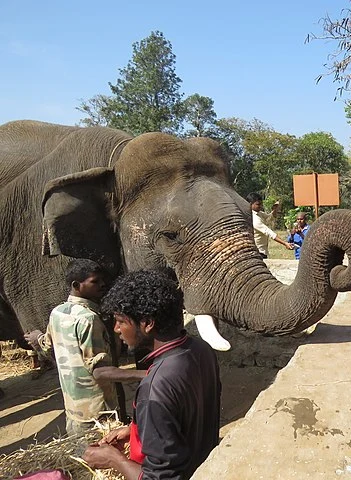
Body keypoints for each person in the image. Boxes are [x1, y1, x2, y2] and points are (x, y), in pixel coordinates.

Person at [83, 269, 221, 480]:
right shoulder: (201, 350)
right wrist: (137, 430)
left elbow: (160, 478)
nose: (117, 329)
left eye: (121, 321)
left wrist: (113, 459)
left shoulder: (154, 387)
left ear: (147, 323)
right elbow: (184, 414)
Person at [24, 259, 145, 434]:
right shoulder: (89, 319)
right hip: (99, 416)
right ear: (76, 285)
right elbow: (99, 371)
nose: (103, 285)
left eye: (102, 280)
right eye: (95, 281)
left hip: (74, 413)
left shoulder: (58, 312)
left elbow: (47, 346)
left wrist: (37, 338)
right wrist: (146, 374)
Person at [246, 192, 294, 258]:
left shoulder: (259, 213)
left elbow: (269, 218)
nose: (261, 206)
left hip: (262, 251)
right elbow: (269, 232)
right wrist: (285, 243)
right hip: (258, 252)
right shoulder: (254, 219)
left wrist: (274, 210)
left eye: (261, 204)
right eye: (258, 204)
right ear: (250, 204)